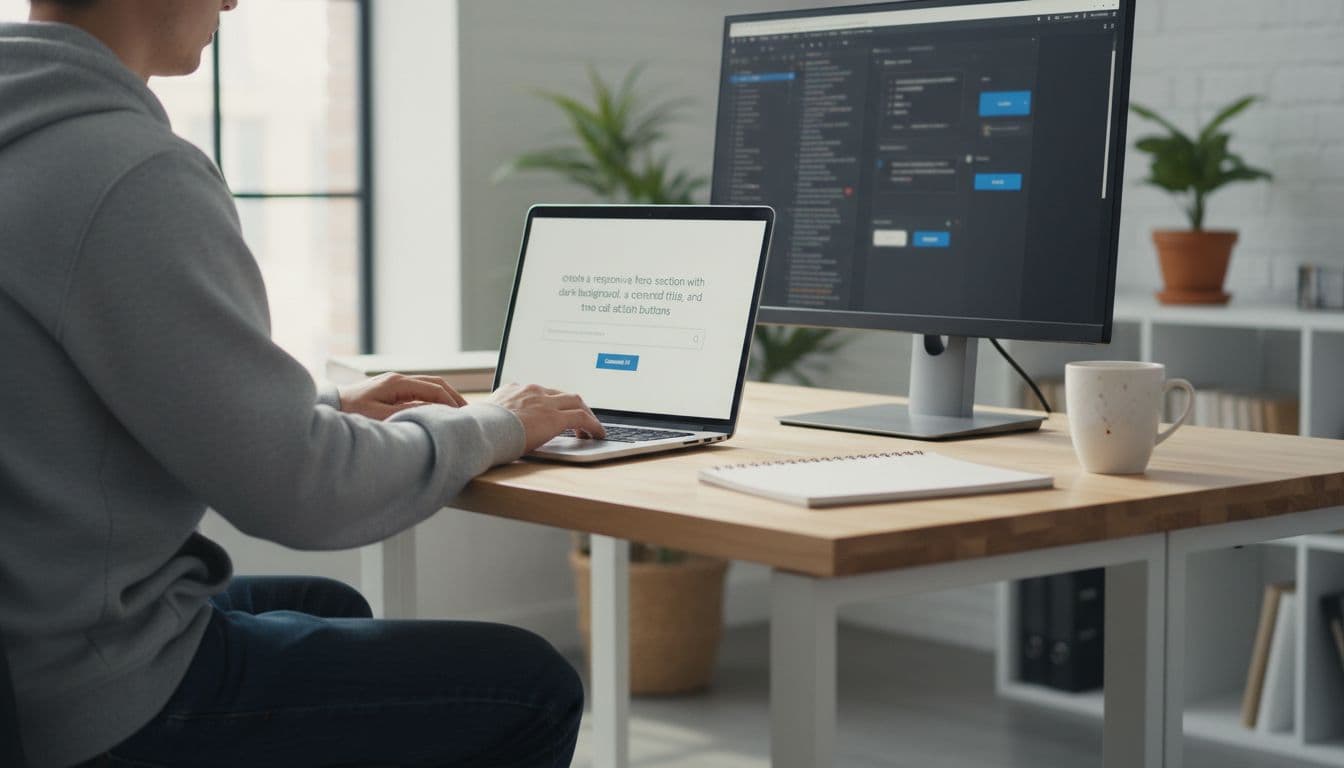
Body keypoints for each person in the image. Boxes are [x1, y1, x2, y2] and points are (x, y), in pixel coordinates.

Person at [0, 1, 606, 765]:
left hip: (25, 636)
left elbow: (57, 406)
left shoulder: (22, 125)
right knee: (531, 685)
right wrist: (499, 422)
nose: (231, 1)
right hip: (82, 688)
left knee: (331, 608)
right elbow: (303, 492)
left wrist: (312, 409)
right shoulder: (127, 169)